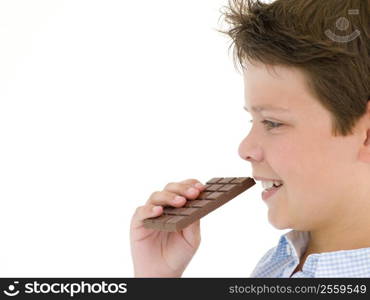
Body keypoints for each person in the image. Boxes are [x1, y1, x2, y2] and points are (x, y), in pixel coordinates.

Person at [130, 0, 370, 277]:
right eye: (252, 120)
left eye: (273, 122)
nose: (245, 149)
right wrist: (157, 278)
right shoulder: (281, 261)